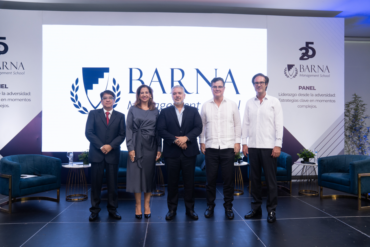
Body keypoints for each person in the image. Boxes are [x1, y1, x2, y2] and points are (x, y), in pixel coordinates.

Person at [157, 85, 203, 221]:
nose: (177, 95)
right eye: (174, 93)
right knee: (172, 183)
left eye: (179, 93)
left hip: (189, 152)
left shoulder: (193, 111)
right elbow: (161, 130)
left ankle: (190, 210)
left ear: (184, 95)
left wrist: (186, 138)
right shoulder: (164, 112)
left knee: (189, 183)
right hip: (172, 153)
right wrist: (177, 141)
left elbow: (198, 127)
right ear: (172, 95)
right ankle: (172, 210)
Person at [242, 73, 283, 223]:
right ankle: (256, 208)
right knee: (255, 180)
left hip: (269, 147)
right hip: (252, 147)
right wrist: (244, 143)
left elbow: (279, 125)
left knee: (271, 181)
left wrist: (278, 144)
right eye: (256, 82)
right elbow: (245, 123)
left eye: (261, 82)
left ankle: (271, 210)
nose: (258, 85)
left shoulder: (274, 102)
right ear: (253, 85)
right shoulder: (249, 102)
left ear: (266, 84)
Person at [200, 77, 241, 220]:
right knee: (210, 180)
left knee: (228, 180)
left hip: (228, 147)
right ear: (211, 88)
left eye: (219, 86)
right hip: (210, 147)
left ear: (224, 88)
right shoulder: (205, 105)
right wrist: (202, 141)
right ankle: (210, 206)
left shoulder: (232, 104)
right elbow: (203, 125)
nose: (217, 89)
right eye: (214, 86)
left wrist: (237, 142)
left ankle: (228, 206)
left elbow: (237, 124)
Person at [85, 90, 126, 222]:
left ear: (114, 100)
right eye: (104, 98)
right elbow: (89, 132)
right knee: (96, 184)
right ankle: (94, 210)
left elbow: (122, 134)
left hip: (112, 154)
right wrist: (102, 146)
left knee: (112, 185)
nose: (107, 100)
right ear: (101, 101)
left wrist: (110, 146)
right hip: (97, 153)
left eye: (110, 98)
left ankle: (113, 210)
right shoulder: (93, 114)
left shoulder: (120, 116)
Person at [126, 85, 161, 219]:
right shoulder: (133, 109)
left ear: (150, 94)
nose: (144, 94)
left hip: (151, 146)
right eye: (142, 92)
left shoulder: (156, 111)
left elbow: (158, 132)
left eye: (147, 92)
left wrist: (159, 148)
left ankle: (147, 205)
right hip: (136, 144)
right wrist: (130, 148)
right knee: (136, 177)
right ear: (138, 95)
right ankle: (137, 206)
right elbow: (128, 129)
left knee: (148, 177)